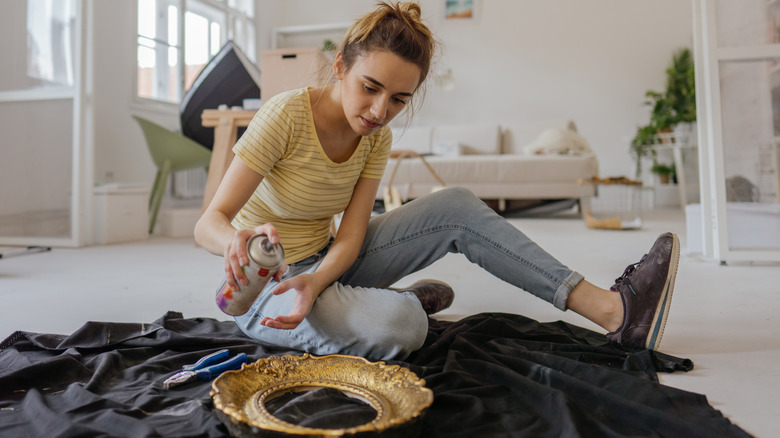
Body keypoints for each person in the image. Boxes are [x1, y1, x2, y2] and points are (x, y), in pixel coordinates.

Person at [194, 1, 680, 361]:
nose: (380, 112)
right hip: (266, 291)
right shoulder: (285, 116)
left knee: (457, 206)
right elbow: (207, 223)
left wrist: (318, 279)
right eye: (370, 88)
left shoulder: (375, 137)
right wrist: (235, 239)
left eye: (399, 99)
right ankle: (394, 305)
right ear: (340, 65)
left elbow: (352, 236)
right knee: (403, 324)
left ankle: (614, 312)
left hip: (325, 267)